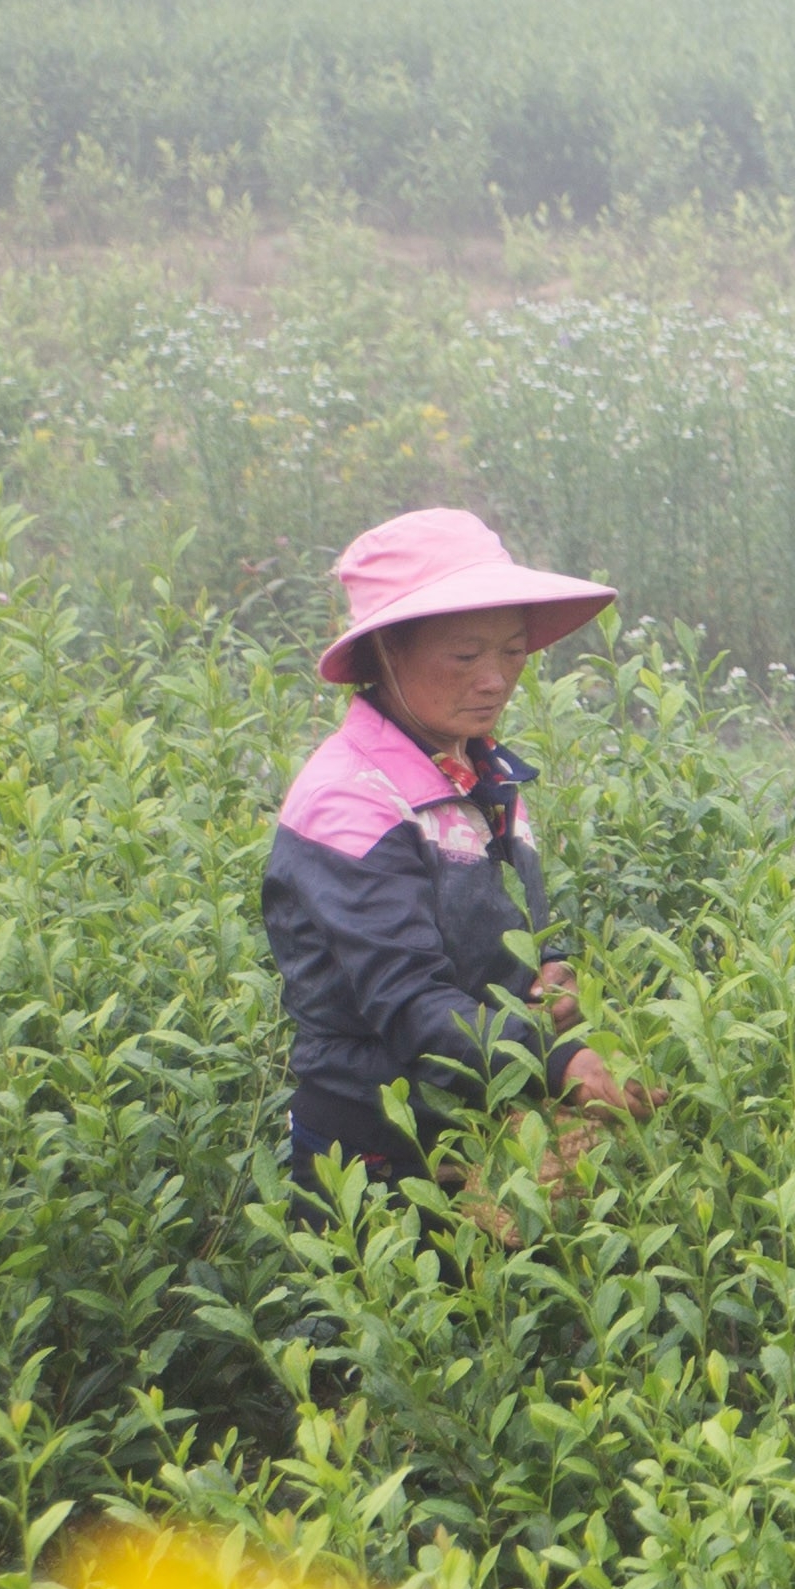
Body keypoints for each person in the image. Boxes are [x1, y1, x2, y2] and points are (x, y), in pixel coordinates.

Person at [264, 507, 636, 1206]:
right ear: (384, 654)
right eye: (465, 656)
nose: (495, 680)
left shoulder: (473, 772)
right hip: (375, 1153)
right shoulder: (352, 800)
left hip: (480, 1118)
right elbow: (408, 1003)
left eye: (513, 652)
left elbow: (503, 932)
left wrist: (552, 976)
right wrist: (557, 1060)